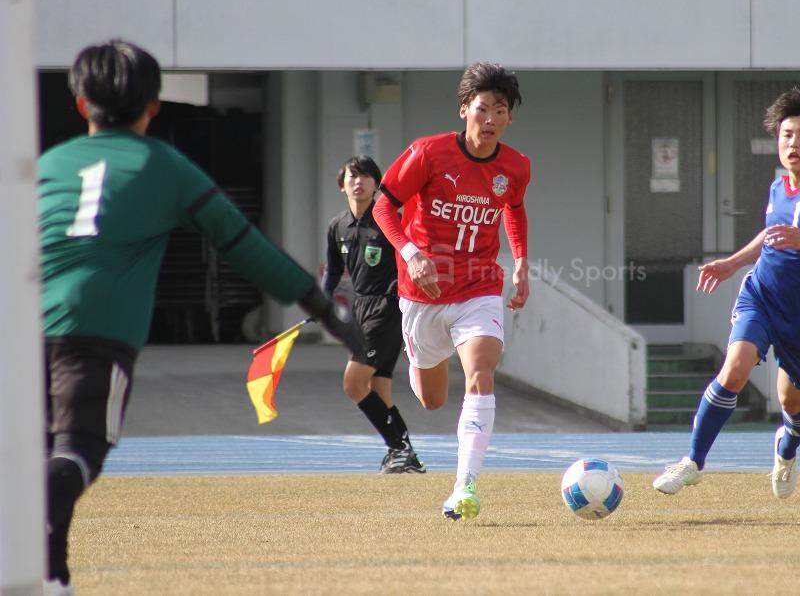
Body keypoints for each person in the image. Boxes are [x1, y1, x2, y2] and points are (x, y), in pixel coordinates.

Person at [37, 39, 363, 595]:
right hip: (95, 333)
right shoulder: (165, 168)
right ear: (154, 106)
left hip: (23, 328)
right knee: (76, 452)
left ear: (80, 104)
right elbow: (245, 246)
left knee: (37, 455)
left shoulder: (45, 166)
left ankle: (52, 577)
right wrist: (326, 313)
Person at [653, 87, 800, 500]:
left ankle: (786, 449)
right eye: (787, 135)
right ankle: (693, 463)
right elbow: (770, 238)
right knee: (734, 369)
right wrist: (732, 263)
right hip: (762, 296)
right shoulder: (777, 188)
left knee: (791, 399)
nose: (793, 143)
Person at [372, 62, 530, 521]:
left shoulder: (516, 166)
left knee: (482, 371)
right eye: (483, 107)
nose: (491, 117)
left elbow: (514, 210)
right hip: (422, 293)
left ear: (509, 119)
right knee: (432, 400)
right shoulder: (428, 153)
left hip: (479, 286)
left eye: (500, 110)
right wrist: (410, 252)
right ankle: (422, 362)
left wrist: (520, 262)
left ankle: (464, 486)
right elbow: (384, 205)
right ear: (465, 110)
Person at [322, 155, 426, 474]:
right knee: (379, 389)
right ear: (342, 185)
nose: (359, 181)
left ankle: (398, 448)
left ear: (377, 184)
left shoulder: (388, 219)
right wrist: (319, 303)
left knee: (353, 383)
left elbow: (411, 257)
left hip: (388, 307)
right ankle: (406, 455)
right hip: (361, 308)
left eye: (367, 176)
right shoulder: (337, 226)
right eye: (353, 176)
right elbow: (333, 272)